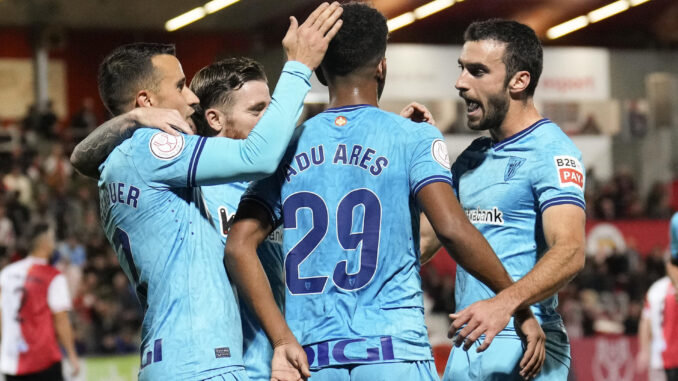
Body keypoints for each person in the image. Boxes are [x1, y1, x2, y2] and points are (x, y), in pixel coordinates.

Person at [224, 4, 545, 381]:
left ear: (322, 73)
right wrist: (517, 307)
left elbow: (238, 246)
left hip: (312, 361)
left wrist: (281, 339)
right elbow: (453, 230)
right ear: (382, 66)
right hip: (393, 354)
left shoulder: (284, 147)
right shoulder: (412, 136)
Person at [68, 3, 343, 380]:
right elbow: (258, 154)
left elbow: (82, 158)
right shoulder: (149, 148)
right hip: (199, 361)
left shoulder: (130, 158)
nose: (192, 98)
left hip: (183, 357)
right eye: (180, 86)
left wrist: (129, 119)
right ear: (147, 101)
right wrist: (298, 67)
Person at [436, 19, 586, 380]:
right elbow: (426, 241)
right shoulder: (472, 156)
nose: (460, 82)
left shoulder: (552, 152)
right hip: (468, 341)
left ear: (518, 81)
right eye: (461, 69)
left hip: (523, 344)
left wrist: (505, 305)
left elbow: (570, 251)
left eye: (477, 71)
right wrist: (419, 156)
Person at [0, 223, 80, 380]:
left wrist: (6, 344)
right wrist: (71, 354)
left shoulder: (6, 274)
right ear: (46, 243)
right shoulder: (53, 277)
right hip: (43, 361)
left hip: (12, 363)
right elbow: (61, 319)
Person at [636, 275, 678, 381]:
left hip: (660, 353)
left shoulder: (656, 288)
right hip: (667, 353)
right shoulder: (658, 289)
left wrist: (644, 350)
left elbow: (645, 321)